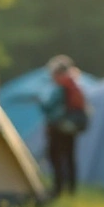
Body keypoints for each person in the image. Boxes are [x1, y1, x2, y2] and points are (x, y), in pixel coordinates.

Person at [41, 55, 89, 198]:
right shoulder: (75, 84)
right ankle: (71, 189)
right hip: (72, 127)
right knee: (69, 157)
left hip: (58, 127)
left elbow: (50, 107)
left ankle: (58, 189)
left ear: (57, 73)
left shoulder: (61, 87)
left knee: (55, 156)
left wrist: (42, 104)